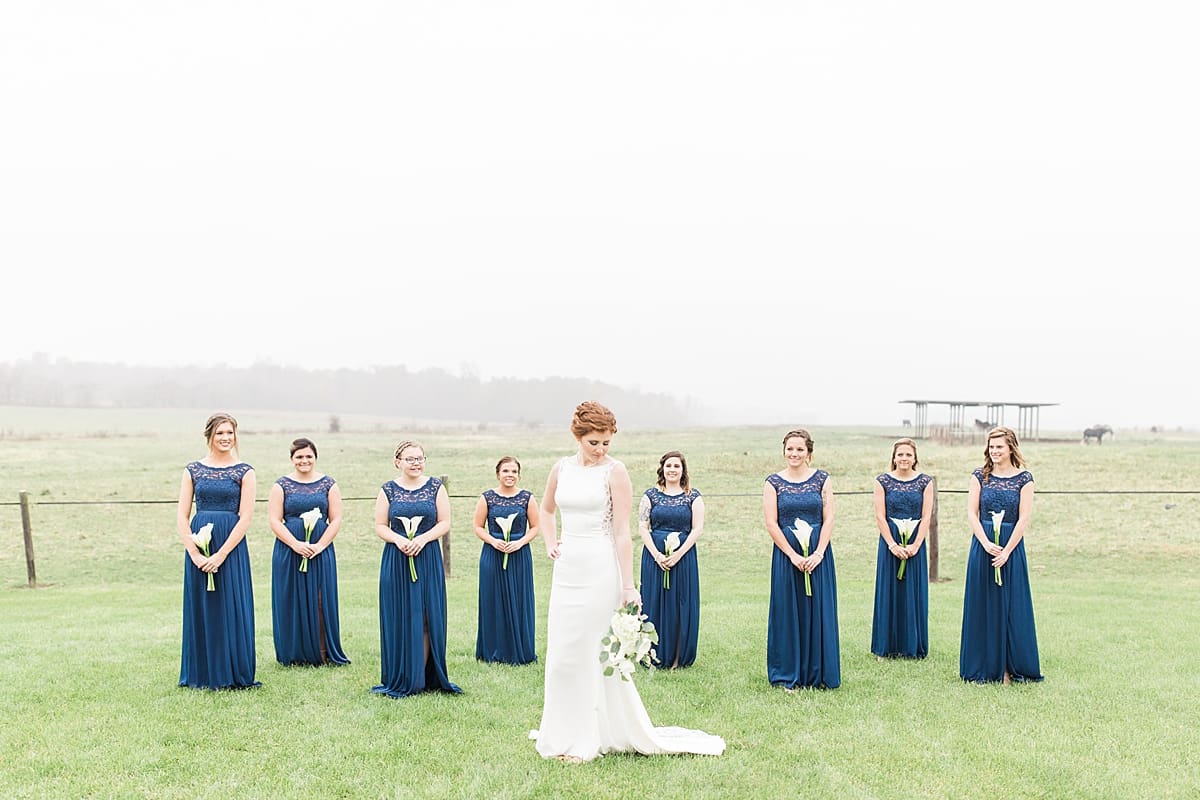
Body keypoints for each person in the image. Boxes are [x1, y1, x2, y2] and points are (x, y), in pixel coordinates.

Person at [531, 401, 725, 762]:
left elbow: (622, 532)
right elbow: (545, 510)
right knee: (563, 654)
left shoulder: (615, 472)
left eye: (606, 442)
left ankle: (587, 739)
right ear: (578, 436)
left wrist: (628, 584)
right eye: (594, 442)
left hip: (600, 567)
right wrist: (550, 542)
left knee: (592, 651)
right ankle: (561, 730)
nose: (601, 449)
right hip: (568, 569)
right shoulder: (560, 469)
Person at [175, 412, 259, 689]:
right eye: (220, 433)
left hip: (230, 546)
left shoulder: (245, 471)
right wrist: (195, 553)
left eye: (230, 433)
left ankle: (232, 672)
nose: (225, 438)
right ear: (209, 435)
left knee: (231, 605)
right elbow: (182, 516)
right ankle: (202, 672)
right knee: (203, 606)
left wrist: (221, 554)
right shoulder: (193, 470)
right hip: (199, 541)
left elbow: (245, 517)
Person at [371, 440, 461, 698]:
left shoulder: (435, 487)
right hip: (397, 558)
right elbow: (380, 525)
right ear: (397, 461)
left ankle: (420, 675)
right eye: (410, 459)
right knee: (399, 614)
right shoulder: (387, 490)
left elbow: (444, 522)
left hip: (428, 556)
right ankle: (400, 674)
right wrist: (399, 539)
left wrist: (422, 539)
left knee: (425, 615)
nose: (416, 463)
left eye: (420, 458)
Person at [959, 426, 1043, 684]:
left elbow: (1024, 517)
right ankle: (983, 666)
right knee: (983, 604)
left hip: (1011, 547)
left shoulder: (1024, 479)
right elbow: (972, 514)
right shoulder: (979, 476)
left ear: (1010, 448)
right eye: (991, 447)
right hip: (983, 545)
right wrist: (985, 543)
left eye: (999, 447)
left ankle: (1010, 668)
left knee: (1010, 606)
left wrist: (1007, 550)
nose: (994, 451)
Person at [762, 428, 840, 690]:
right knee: (787, 611)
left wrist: (818, 552)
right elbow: (771, 523)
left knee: (818, 609)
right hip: (787, 556)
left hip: (819, 554)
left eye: (800, 449)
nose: (794, 453)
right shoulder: (773, 482)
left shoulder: (822, 480)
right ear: (784, 451)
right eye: (790, 449)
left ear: (809, 453)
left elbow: (828, 518)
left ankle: (818, 674)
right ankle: (787, 674)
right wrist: (793, 555)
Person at [268, 437, 350, 667]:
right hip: (289, 548)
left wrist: (320, 545)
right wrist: (295, 544)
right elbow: (275, 521)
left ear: (315, 457)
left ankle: (322, 652)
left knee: (320, 599)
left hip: (320, 548)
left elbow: (336, 519)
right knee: (290, 598)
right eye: (299, 457)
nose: (304, 460)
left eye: (308, 456)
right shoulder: (281, 485)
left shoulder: (328, 484)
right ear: (292, 459)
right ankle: (293, 653)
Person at [638, 450, 704, 669]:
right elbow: (642, 527)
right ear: (662, 469)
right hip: (653, 558)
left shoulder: (693, 496)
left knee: (680, 603)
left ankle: (678, 656)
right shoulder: (650, 496)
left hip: (683, 558)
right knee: (654, 601)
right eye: (669, 466)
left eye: (677, 466)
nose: (672, 470)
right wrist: (657, 554)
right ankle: (652, 654)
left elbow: (697, 529)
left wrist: (678, 554)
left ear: (683, 470)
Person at [870, 438, 934, 659]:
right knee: (889, 591)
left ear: (915, 458)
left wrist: (916, 544)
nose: (904, 458)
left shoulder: (925, 482)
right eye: (900, 455)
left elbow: (926, 516)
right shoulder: (883, 481)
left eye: (908, 454)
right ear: (894, 457)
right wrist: (892, 544)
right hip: (890, 541)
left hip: (915, 540)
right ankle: (885, 647)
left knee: (913, 592)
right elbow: (880, 515)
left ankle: (912, 646)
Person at [473, 456, 540, 664]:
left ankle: (520, 650)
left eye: (513, 472)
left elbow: (536, 527)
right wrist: (493, 541)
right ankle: (492, 649)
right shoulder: (487, 498)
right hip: (493, 555)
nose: (510, 475)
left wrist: (520, 543)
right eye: (505, 471)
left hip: (519, 556)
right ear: (497, 474)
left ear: (519, 475)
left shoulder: (527, 498)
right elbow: (477, 526)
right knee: (493, 600)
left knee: (519, 600)